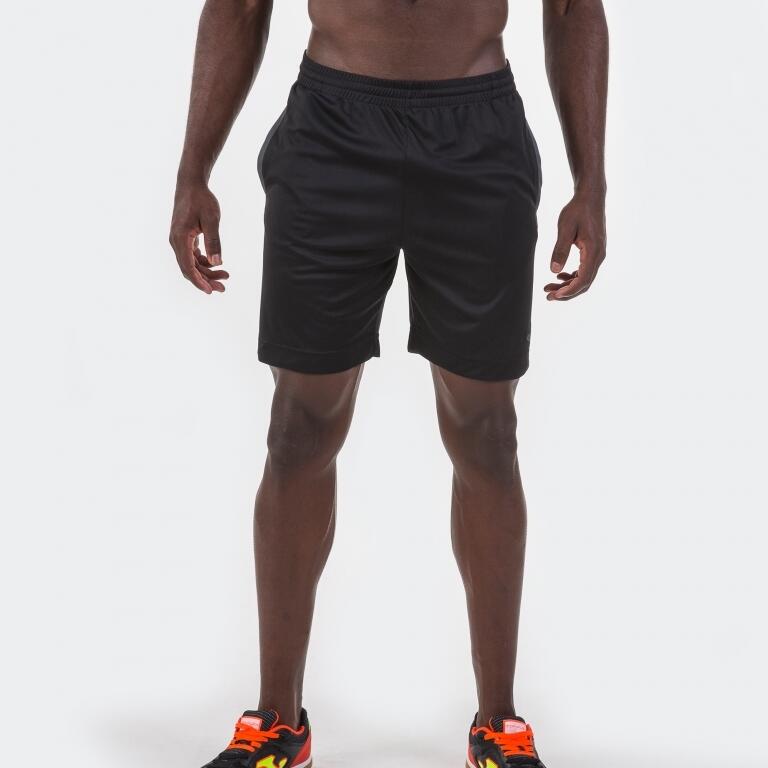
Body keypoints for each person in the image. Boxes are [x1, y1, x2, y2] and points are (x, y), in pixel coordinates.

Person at [169, 1, 608, 766]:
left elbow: (572, 9)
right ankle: (279, 723)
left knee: (488, 436)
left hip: (478, 135)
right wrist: (193, 169)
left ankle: (498, 726)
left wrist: (591, 181)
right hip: (331, 132)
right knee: (298, 431)